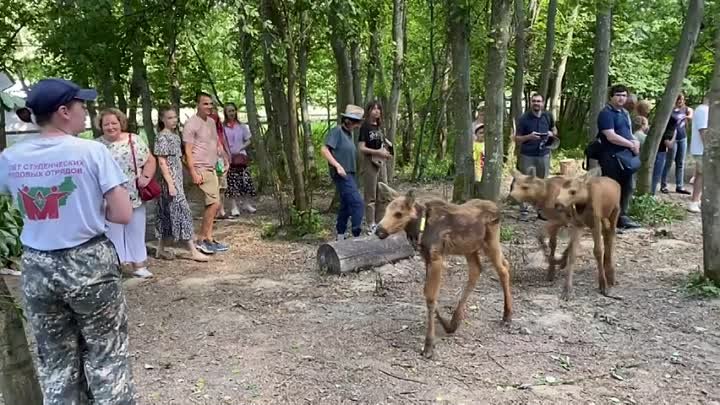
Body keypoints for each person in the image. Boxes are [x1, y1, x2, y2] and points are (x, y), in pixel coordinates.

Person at [0, 78, 136, 403]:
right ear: (63, 111)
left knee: (57, 362)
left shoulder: (10, 158)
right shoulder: (91, 151)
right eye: (81, 105)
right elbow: (123, 213)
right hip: (90, 265)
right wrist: (91, 206)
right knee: (108, 357)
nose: (86, 111)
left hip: (38, 269)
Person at [97, 108, 157, 278]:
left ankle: (139, 264)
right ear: (101, 126)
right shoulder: (96, 146)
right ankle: (117, 265)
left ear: (120, 123)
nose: (110, 127)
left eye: (114, 123)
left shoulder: (134, 140)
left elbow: (150, 160)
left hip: (133, 192)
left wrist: (146, 176)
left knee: (136, 228)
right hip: (108, 194)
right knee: (112, 232)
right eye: (106, 124)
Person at [154, 106, 209, 261]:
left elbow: (179, 159)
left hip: (177, 178)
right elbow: (162, 162)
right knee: (183, 211)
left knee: (166, 212)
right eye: (170, 118)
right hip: (169, 181)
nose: (174, 120)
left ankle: (160, 249)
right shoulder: (162, 137)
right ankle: (192, 250)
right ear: (162, 119)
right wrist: (171, 184)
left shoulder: (175, 136)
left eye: (175, 117)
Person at [183, 92, 229, 253]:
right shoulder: (191, 124)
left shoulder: (211, 122)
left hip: (212, 168)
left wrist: (223, 157)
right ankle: (202, 239)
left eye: (210, 104)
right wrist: (193, 172)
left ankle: (208, 238)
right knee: (214, 203)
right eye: (205, 104)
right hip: (200, 168)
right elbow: (188, 151)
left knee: (214, 204)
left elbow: (216, 143)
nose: (209, 107)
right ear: (197, 105)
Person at [596, 84, 641, 229]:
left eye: (624, 95)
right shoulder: (606, 113)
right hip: (610, 157)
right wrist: (630, 144)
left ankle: (622, 217)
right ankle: (607, 221)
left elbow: (628, 132)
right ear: (611, 97)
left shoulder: (625, 113)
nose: (621, 98)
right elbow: (610, 136)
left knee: (626, 187)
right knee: (610, 190)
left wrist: (635, 142)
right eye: (618, 95)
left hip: (625, 158)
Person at [321, 104, 365, 240]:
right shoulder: (337, 131)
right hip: (341, 174)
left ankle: (340, 234)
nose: (357, 125)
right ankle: (357, 234)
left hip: (350, 173)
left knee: (346, 205)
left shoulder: (349, 135)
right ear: (348, 121)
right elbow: (324, 149)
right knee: (358, 203)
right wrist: (337, 166)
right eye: (356, 122)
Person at [514, 92, 558, 221]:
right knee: (525, 182)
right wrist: (529, 137)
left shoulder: (548, 116)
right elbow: (516, 138)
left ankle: (541, 210)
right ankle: (524, 210)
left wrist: (551, 133)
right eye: (534, 101)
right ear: (531, 103)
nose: (536, 103)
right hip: (527, 154)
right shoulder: (524, 118)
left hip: (544, 153)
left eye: (539, 101)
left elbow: (555, 129)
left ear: (543, 103)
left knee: (542, 182)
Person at [358, 100, 391, 233]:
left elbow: (382, 144)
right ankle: (370, 223)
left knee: (382, 192)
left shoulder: (379, 126)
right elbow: (361, 147)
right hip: (369, 161)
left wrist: (386, 152)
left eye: (379, 109)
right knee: (370, 194)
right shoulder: (365, 127)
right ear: (369, 111)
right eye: (374, 109)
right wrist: (377, 152)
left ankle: (380, 221)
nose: (376, 111)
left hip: (381, 162)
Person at [223, 102, 257, 216]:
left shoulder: (242, 126)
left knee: (245, 181)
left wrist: (241, 147)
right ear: (225, 113)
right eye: (229, 111)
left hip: (241, 156)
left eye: (233, 110)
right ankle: (234, 206)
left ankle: (246, 203)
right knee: (231, 182)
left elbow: (249, 140)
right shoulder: (223, 128)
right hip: (229, 157)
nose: (231, 113)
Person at [660, 93, 693, 195]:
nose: (680, 101)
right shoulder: (670, 110)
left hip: (682, 138)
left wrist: (687, 115)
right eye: (678, 100)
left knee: (680, 163)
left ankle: (680, 186)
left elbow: (691, 115)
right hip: (672, 139)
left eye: (682, 99)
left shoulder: (686, 109)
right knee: (669, 162)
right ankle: (663, 185)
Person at [688, 93, 709, 213]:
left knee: (702, 174)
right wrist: (709, 148)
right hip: (702, 150)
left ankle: (698, 199)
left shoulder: (706, 110)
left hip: (703, 149)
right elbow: (703, 131)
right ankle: (694, 201)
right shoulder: (703, 110)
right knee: (701, 175)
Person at [209, 103, 231, 219]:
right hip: (209, 159)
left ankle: (221, 210)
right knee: (213, 187)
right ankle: (212, 210)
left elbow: (223, 143)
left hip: (220, 159)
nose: (214, 114)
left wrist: (226, 156)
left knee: (222, 186)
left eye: (215, 111)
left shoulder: (220, 128)